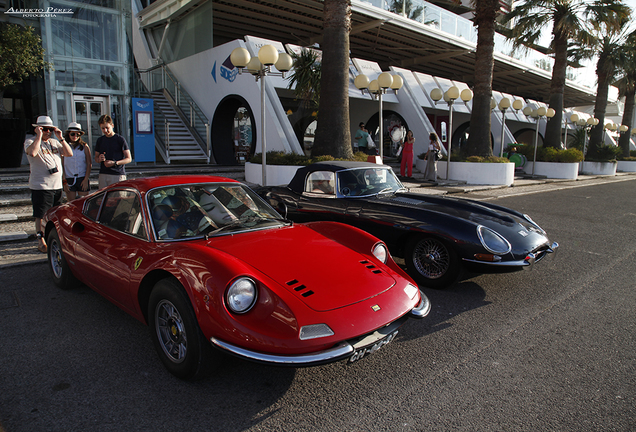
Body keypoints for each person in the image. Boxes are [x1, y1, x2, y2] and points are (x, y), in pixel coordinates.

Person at [24, 115, 74, 253]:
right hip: (41, 186)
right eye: (45, 129)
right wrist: (39, 136)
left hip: (56, 185)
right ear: (38, 129)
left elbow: (69, 153)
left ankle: (53, 236)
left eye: (50, 129)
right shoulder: (31, 141)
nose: (48, 132)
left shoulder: (54, 142)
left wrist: (61, 137)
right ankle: (40, 239)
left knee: (55, 213)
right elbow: (32, 153)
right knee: (40, 214)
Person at [94, 115, 132, 189]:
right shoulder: (100, 140)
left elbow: (129, 158)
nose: (105, 130)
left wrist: (115, 163)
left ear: (112, 125)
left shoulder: (120, 139)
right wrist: (99, 159)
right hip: (103, 173)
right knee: (103, 197)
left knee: (118, 198)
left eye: (107, 128)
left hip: (117, 174)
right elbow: (96, 158)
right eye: (102, 128)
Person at [62, 122, 92, 201]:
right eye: (72, 134)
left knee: (83, 203)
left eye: (77, 134)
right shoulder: (64, 146)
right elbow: (61, 164)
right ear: (68, 134)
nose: (75, 136)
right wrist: (64, 181)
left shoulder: (84, 146)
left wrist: (86, 179)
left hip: (82, 177)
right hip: (69, 178)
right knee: (71, 204)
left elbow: (89, 163)